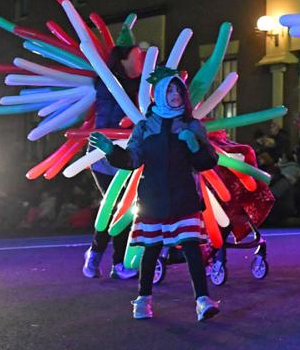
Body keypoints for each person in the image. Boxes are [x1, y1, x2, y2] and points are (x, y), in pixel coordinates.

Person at [88, 69, 220, 322]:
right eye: (169, 91)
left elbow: (208, 162)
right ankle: (143, 300)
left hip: (184, 195)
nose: (175, 96)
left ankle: (203, 300)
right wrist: (111, 151)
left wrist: (194, 145)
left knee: (192, 247)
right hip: (153, 197)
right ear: (159, 94)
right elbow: (132, 159)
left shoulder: (192, 125)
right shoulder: (145, 126)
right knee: (151, 249)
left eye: (178, 91)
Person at [82, 32, 144, 281]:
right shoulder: (108, 85)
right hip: (104, 157)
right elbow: (105, 122)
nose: (141, 58)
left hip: (132, 156)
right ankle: (99, 254)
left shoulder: (144, 84)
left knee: (128, 208)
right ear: (122, 60)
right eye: (136, 55)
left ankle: (116, 262)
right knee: (115, 205)